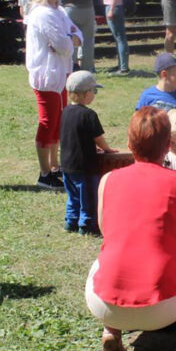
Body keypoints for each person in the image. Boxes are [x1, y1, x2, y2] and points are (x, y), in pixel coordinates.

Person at [86, 107, 176, 351]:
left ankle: (111, 331)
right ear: (167, 145)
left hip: (104, 304)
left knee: (112, 248)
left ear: (129, 142)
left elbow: (106, 230)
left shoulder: (108, 180)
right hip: (163, 307)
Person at [26, 0, 81, 190]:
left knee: (59, 121)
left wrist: (72, 38)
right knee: (48, 122)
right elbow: (64, 46)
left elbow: (78, 35)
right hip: (47, 75)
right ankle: (44, 172)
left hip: (62, 73)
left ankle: (55, 166)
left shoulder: (60, 11)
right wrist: (69, 40)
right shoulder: (42, 13)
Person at [60, 70, 115, 235]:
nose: (94, 95)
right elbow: (98, 137)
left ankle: (71, 222)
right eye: (94, 91)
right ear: (85, 94)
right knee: (88, 197)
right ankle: (86, 225)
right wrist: (107, 149)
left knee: (73, 197)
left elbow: (74, 135)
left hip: (67, 165)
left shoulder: (65, 112)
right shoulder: (89, 115)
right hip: (85, 167)